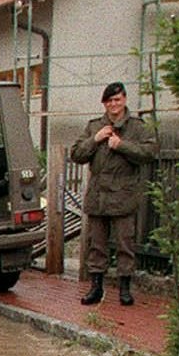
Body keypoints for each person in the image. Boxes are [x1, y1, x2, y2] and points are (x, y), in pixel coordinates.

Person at [71, 80, 156, 306]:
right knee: (96, 244)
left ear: (125, 100)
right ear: (104, 103)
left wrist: (122, 146)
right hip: (98, 196)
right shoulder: (94, 126)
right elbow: (77, 154)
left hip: (123, 196)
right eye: (109, 101)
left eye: (117, 99)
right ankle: (96, 287)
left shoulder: (137, 127)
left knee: (124, 244)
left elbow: (148, 152)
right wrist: (95, 139)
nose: (113, 104)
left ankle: (125, 289)